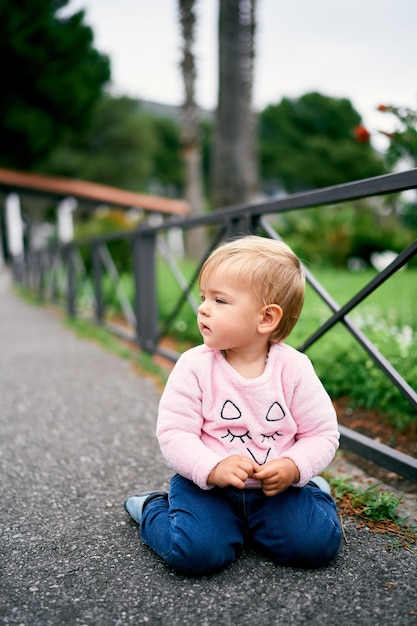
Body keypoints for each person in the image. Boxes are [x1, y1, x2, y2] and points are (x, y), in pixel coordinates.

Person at [125, 235, 342, 577]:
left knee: (315, 546)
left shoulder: (294, 369)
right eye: (203, 298)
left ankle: (313, 495)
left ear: (266, 318)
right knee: (196, 553)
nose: (203, 308)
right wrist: (212, 467)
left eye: (220, 300)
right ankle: (154, 507)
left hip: (275, 489)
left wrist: (294, 466)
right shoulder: (194, 366)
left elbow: (322, 434)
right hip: (207, 487)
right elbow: (174, 433)